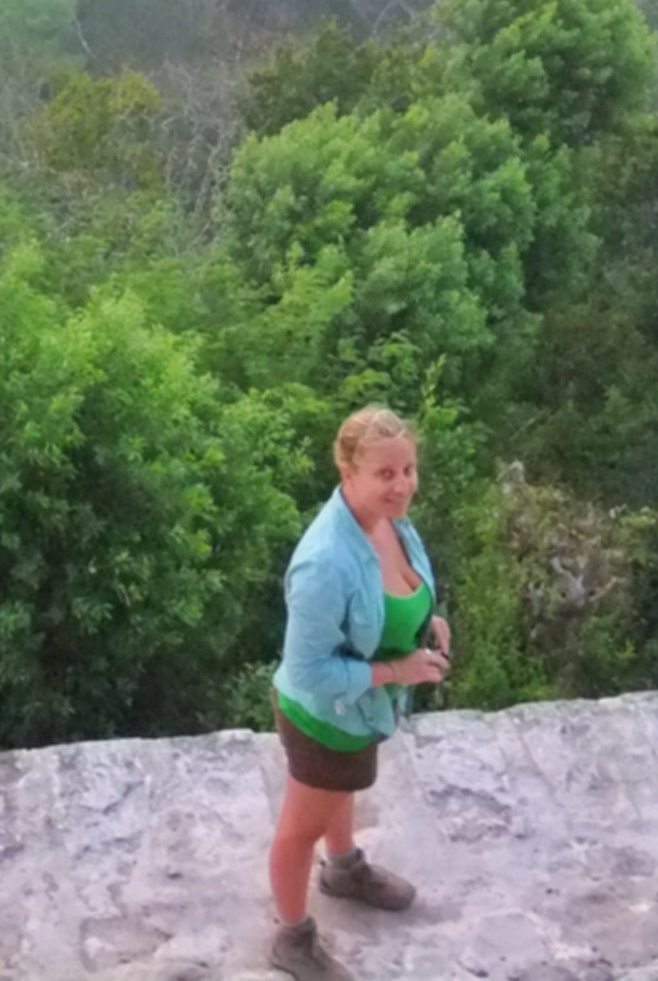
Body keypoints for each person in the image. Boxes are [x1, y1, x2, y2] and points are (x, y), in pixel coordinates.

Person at [264, 406, 451, 980]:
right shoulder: (324, 563)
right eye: (386, 474)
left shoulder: (389, 521)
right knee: (300, 830)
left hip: (359, 712)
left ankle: (343, 870)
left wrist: (428, 620)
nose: (402, 486)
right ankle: (292, 940)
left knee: (342, 790)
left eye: (409, 470)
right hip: (324, 717)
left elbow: (398, 590)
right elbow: (311, 670)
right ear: (348, 472)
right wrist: (397, 672)